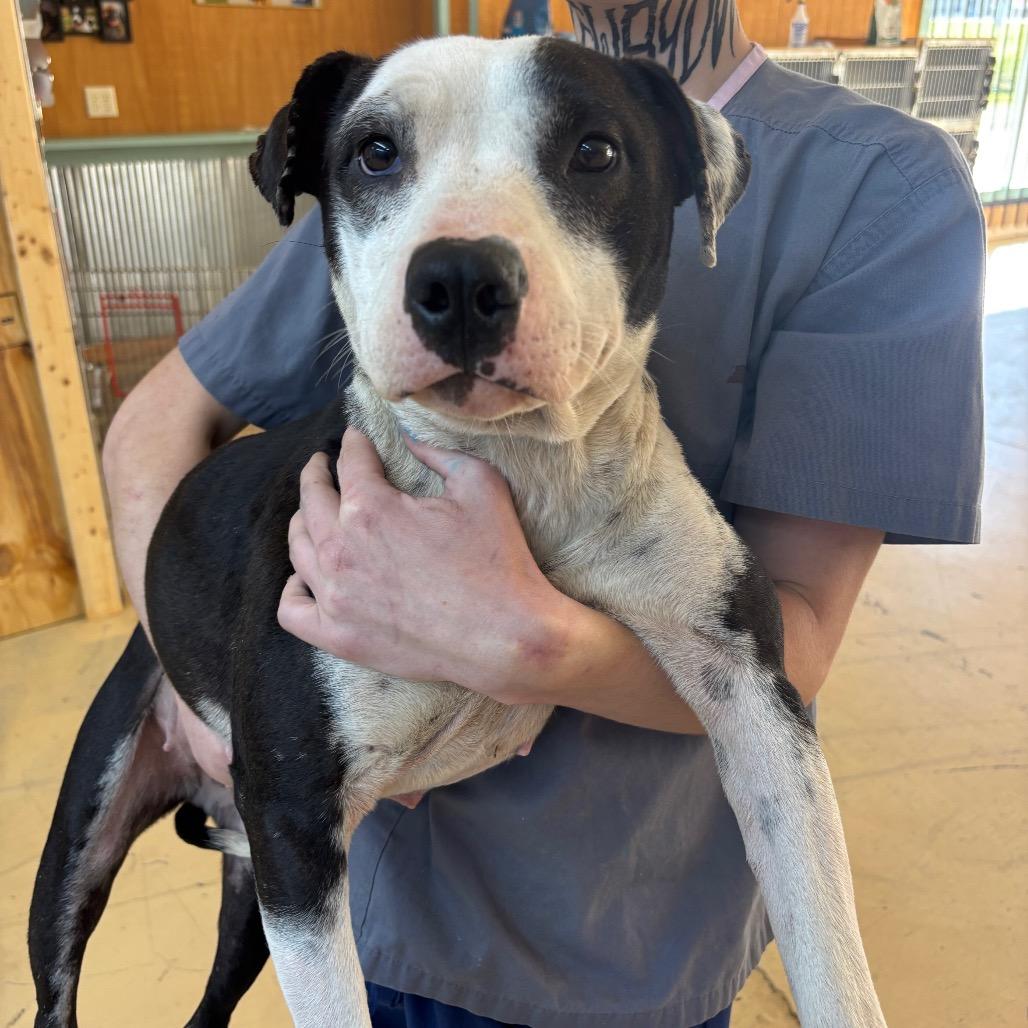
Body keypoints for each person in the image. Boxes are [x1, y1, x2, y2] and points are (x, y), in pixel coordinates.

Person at [102, 3, 985, 1026]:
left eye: (589, 157)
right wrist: (202, 696)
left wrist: (518, 638)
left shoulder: (876, 183)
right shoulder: (414, 115)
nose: (462, 258)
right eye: (383, 159)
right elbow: (156, 428)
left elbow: (790, 653)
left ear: (688, 194)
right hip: (395, 924)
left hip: (648, 949)